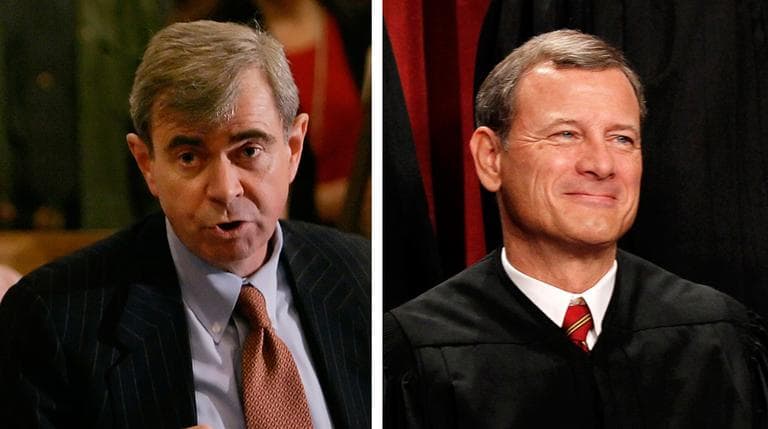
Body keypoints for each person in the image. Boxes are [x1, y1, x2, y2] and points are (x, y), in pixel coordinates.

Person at [383, 29, 768, 428]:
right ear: (491, 158)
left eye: (621, 138)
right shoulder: (415, 352)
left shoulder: (721, 338)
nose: (601, 165)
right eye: (566, 134)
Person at [0, 20, 370, 429]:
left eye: (249, 150)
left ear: (293, 149)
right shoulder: (54, 318)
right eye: (190, 157)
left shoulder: (364, 278)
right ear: (147, 165)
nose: (226, 190)